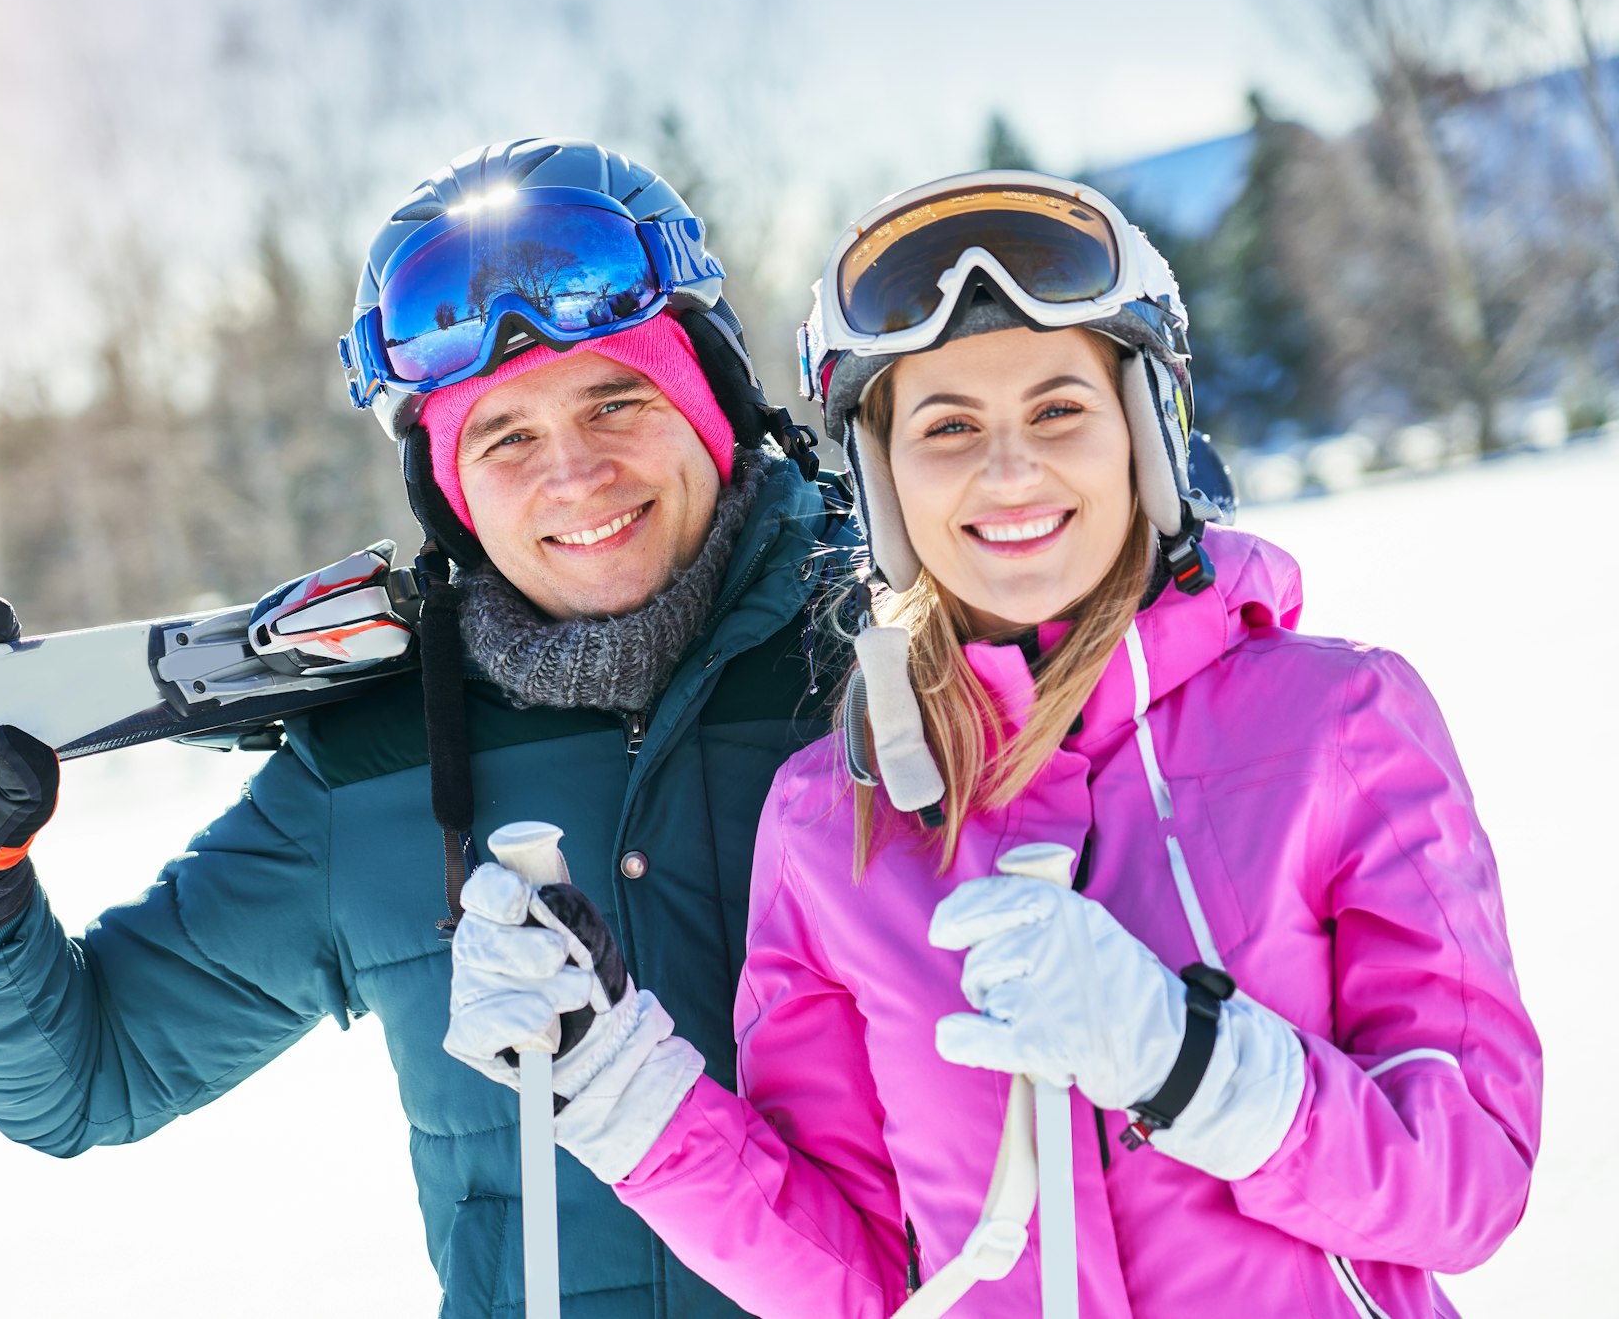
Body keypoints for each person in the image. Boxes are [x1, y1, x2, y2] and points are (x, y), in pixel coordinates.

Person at [443, 170, 1541, 1318]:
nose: (1005, 468)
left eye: (1057, 408)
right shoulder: (830, 819)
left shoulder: (1335, 724)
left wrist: (1190, 1059)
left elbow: (1470, 1179)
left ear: (1141, 436)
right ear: (882, 485)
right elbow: (859, 1281)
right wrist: (616, 1084)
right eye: (946, 426)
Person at [0, 137, 857, 1318]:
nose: (574, 474)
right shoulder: (376, 765)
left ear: (717, 406)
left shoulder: (893, 664)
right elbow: (90, 1075)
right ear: (450, 487)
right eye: (506, 437)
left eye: (616, 399)